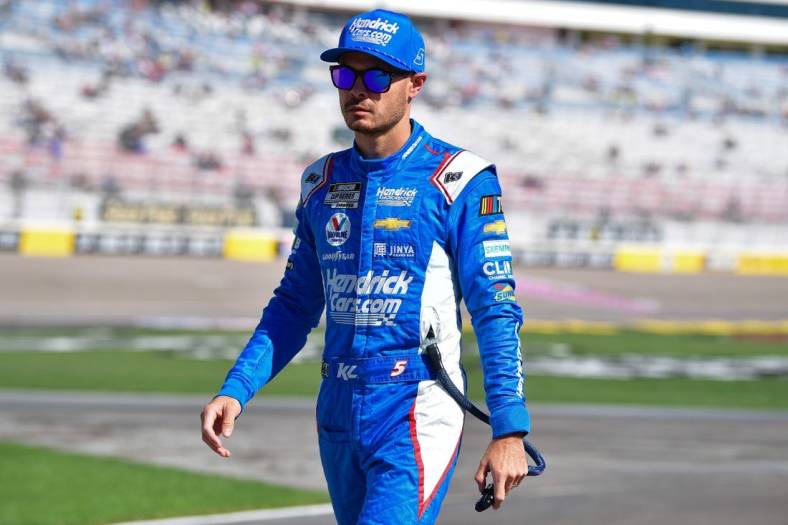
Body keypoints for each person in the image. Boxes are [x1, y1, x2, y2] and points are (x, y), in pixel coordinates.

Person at [201, 9, 530, 525]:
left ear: (414, 84)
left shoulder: (459, 178)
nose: (360, 90)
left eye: (377, 75)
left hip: (417, 405)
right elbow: (293, 305)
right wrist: (236, 389)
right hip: (337, 407)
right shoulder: (321, 182)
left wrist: (509, 430)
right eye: (346, 74)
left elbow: (495, 307)